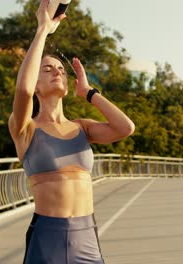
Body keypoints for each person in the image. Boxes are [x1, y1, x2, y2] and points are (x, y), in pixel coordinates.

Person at [8, 0, 135, 263]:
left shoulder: (82, 127)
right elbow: (22, 90)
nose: (56, 71)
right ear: (37, 86)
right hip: (47, 239)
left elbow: (126, 128)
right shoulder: (25, 128)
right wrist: (43, 29)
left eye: (61, 69)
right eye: (47, 69)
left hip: (87, 237)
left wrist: (88, 93)